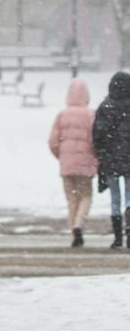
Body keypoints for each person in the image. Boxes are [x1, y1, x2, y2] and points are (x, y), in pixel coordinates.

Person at [48, 77, 97, 247]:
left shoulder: (62, 115)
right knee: (86, 196)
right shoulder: (91, 115)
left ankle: (73, 230)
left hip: (67, 165)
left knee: (71, 198)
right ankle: (79, 225)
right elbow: (95, 140)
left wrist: (62, 156)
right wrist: (94, 158)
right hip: (85, 165)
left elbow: (53, 141)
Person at [93, 71, 130, 249]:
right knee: (129, 198)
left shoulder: (105, 106)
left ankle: (117, 238)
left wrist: (102, 153)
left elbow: (98, 134)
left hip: (111, 160)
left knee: (115, 199)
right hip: (129, 159)